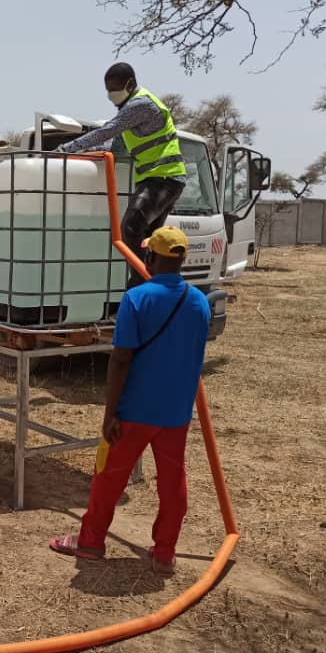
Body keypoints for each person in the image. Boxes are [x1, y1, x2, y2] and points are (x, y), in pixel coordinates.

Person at [48, 227, 210, 575]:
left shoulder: (137, 299)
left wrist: (110, 412)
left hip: (135, 410)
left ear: (151, 258)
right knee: (172, 481)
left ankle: (90, 543)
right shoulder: (199, 302)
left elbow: (121, 359)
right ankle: (165, 553)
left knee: (108, 478)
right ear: (182, 260)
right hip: (176, 413)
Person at [60, 62, 187, 289]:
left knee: (129, 229)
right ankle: (151, 285)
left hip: (163, 179)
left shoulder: (141, 105)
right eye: (108, 90)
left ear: (130, 83)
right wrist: (85, 153)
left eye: (115, 88)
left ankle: (141, 285)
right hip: (163, 180)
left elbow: (107, 130)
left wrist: (65, 149)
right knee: (150, 240)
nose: (111, 94)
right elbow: (114, 145)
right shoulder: (131, 113)